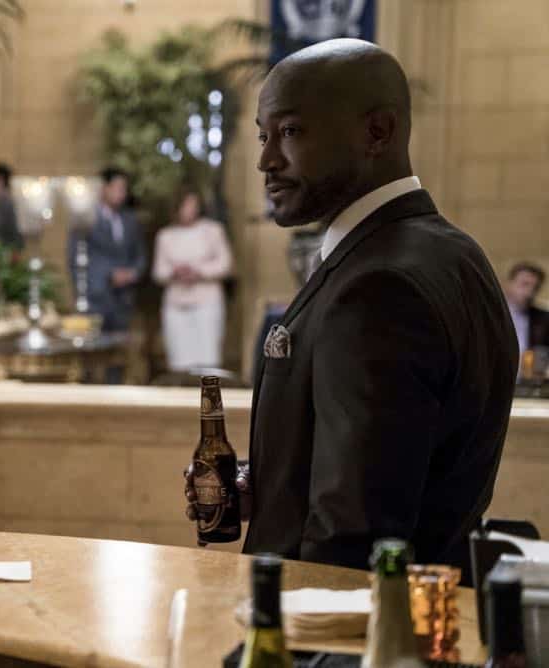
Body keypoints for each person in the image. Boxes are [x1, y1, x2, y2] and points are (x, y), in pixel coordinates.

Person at [186, 38, 517, 579]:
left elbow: (354, 536)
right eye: (264, 135)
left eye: (291, 131)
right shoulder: (454, 251)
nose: (267, 160)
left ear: (377, 132)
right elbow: (398, 466)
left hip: (338, 619)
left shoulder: (378, 287)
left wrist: (299, 625)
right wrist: (271, 486)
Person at [152, 187, 234, 370]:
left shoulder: (213, 230)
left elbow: (225, 264)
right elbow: (158, 271)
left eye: (193, 204)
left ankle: (208, 390)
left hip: (207, 302)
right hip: (176, 305)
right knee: (179, 360)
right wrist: (175, 272)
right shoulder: (165, 235)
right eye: (186, 205)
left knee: (208, 358)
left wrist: (198, 271)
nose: (190, 209)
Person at [68, 167, 146, 334]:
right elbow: (75, 258)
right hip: (95, 297)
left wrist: (131, 273)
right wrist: (107, 275)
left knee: (120, 345)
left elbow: (139, 255)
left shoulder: (130, 220)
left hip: (123, 299)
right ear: (104, 188)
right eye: (117, 188)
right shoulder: (86, 218)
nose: (121, 194)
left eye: (124, 189)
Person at [504, 261, 549, 355]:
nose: (529, 292)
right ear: (509, 283)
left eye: (535, 287)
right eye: (525, 284)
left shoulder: (543, 319)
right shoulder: (493, 314)